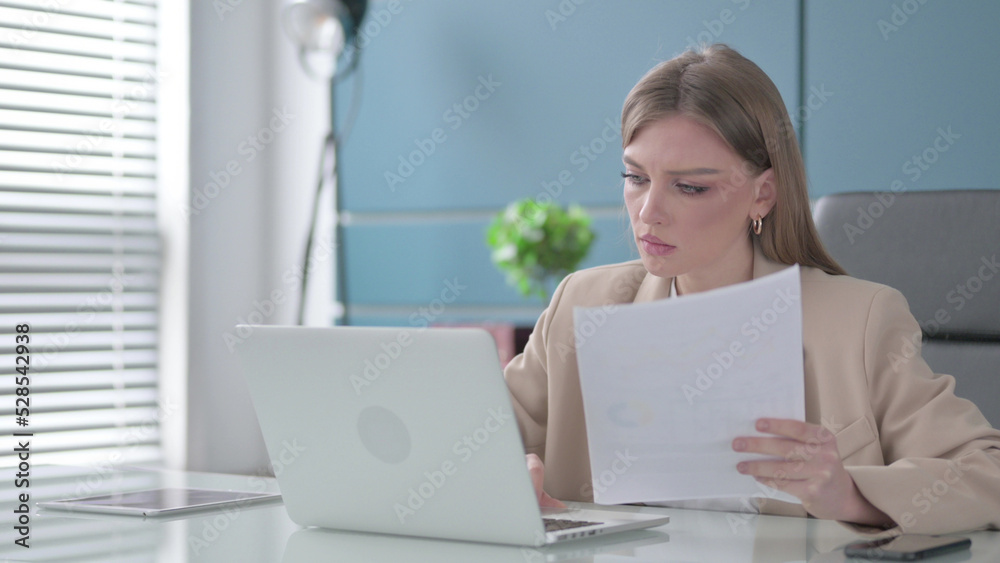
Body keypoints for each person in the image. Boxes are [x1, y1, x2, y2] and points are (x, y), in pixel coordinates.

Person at [504, 43, 1000, 534]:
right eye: (635, 177)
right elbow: (472, 436)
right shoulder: (581, 305)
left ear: (762, 193)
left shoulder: (859, 320)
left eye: (690, 187)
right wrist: (505, 474)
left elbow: (986, 473)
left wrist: (850, 492)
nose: (647, 211)